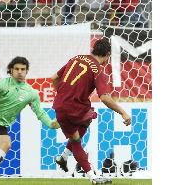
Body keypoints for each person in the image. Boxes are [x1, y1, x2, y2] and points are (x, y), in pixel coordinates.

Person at [51, 38, 131, 184]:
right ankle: (93, 177)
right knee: (76, 141)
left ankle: (63, 157)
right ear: (107, 54)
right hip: (72, 108)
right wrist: (123, 112)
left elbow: (54, 78)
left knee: (87, 119)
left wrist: (63, 95)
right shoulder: (98, 70)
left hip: (67, 106)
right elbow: (105, 98)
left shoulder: (76, 58)